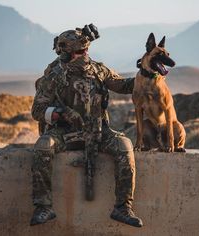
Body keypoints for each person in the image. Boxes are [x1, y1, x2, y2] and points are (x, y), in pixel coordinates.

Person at [30, 23, 143, 228]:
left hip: (98, 131)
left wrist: (146, 73)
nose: (84, 55)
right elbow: (37, 110)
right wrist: (60, 114)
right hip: (66, 133)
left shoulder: (99, 69)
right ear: (66, 53)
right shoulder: (54, 76)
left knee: (124, 146)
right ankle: (43, 207)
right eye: (79, 52)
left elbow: (123, 85)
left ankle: (123, 208)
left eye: (85, 51)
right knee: (43, 145)